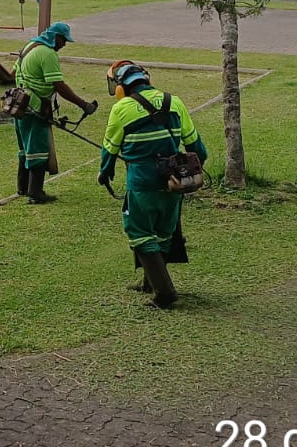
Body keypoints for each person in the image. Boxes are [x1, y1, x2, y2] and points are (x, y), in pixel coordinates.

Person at [96, 60, 208, 308]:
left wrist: (104, 173)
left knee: (139, 234)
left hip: (142, 182)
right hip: (173, 181)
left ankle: (164, 293)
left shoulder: (121, 109)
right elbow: (197, 148)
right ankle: (150, 282)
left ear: (121, 87)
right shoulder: (174, 101)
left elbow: (110, 149)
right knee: (163, 233)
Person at [12, 21, 96, 204]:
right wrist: (84, 105)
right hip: (35, 108)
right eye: (63, 40)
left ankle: (23, 187)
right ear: (55, 37)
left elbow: (13, 72)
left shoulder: (30, 45)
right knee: (38, 150)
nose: (64, 44)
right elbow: (59, 85)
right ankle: (35, 194)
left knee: (24, 148)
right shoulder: (48, 53)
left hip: (19, 104)